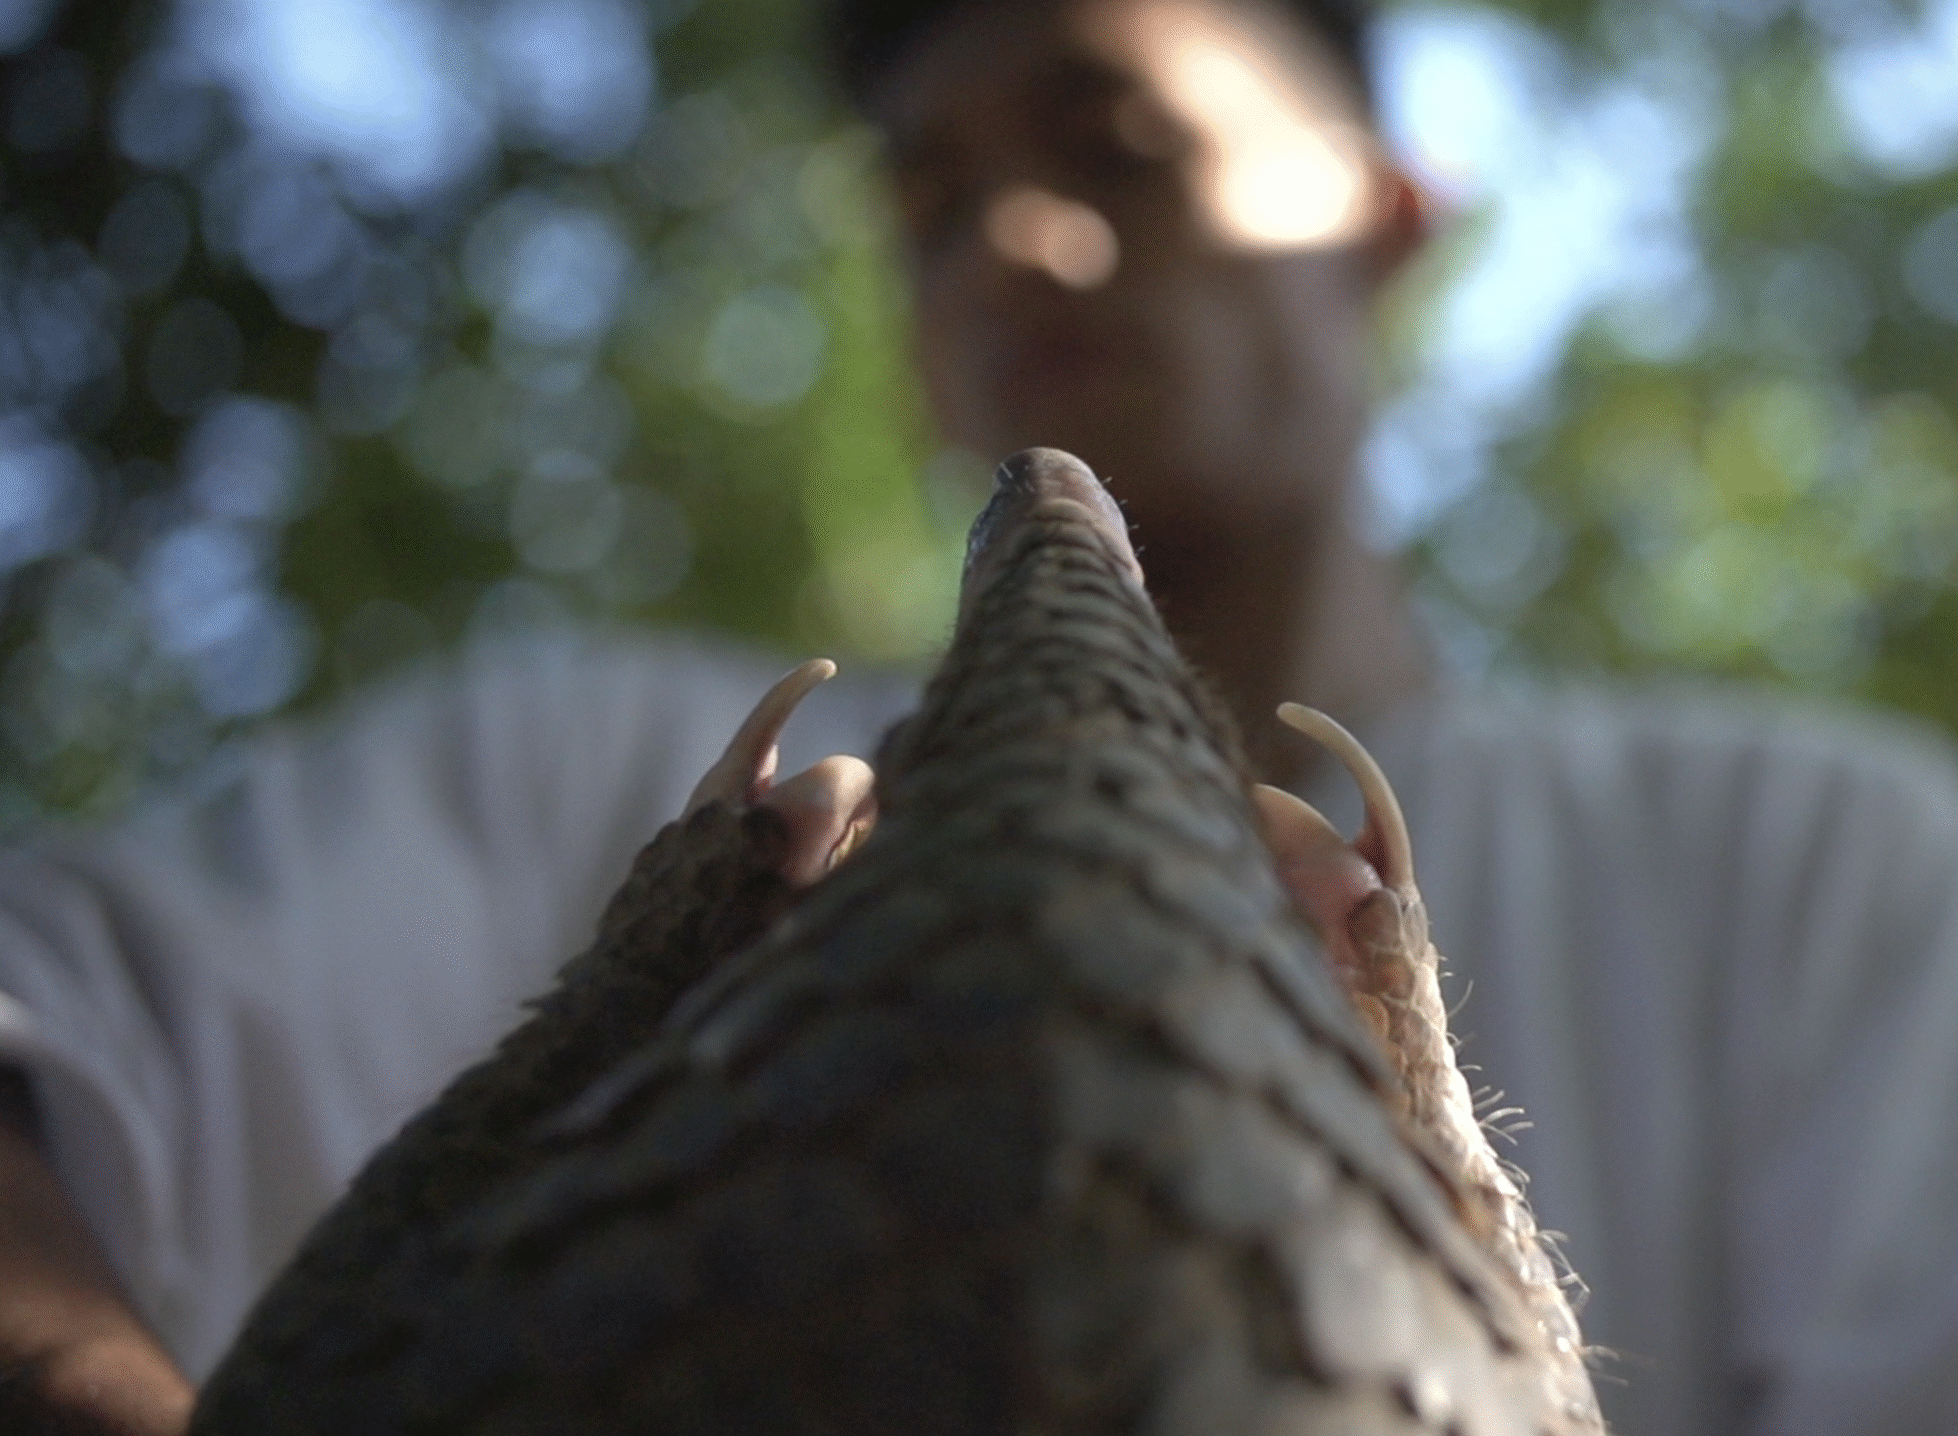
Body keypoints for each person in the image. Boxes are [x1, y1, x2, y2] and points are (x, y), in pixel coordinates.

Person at [3, 0, 1957, 1431]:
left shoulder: (1823, 862)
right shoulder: (568, 768)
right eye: (932, 204)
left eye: (1122, 142)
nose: (1007, 237)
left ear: (1375, 219)